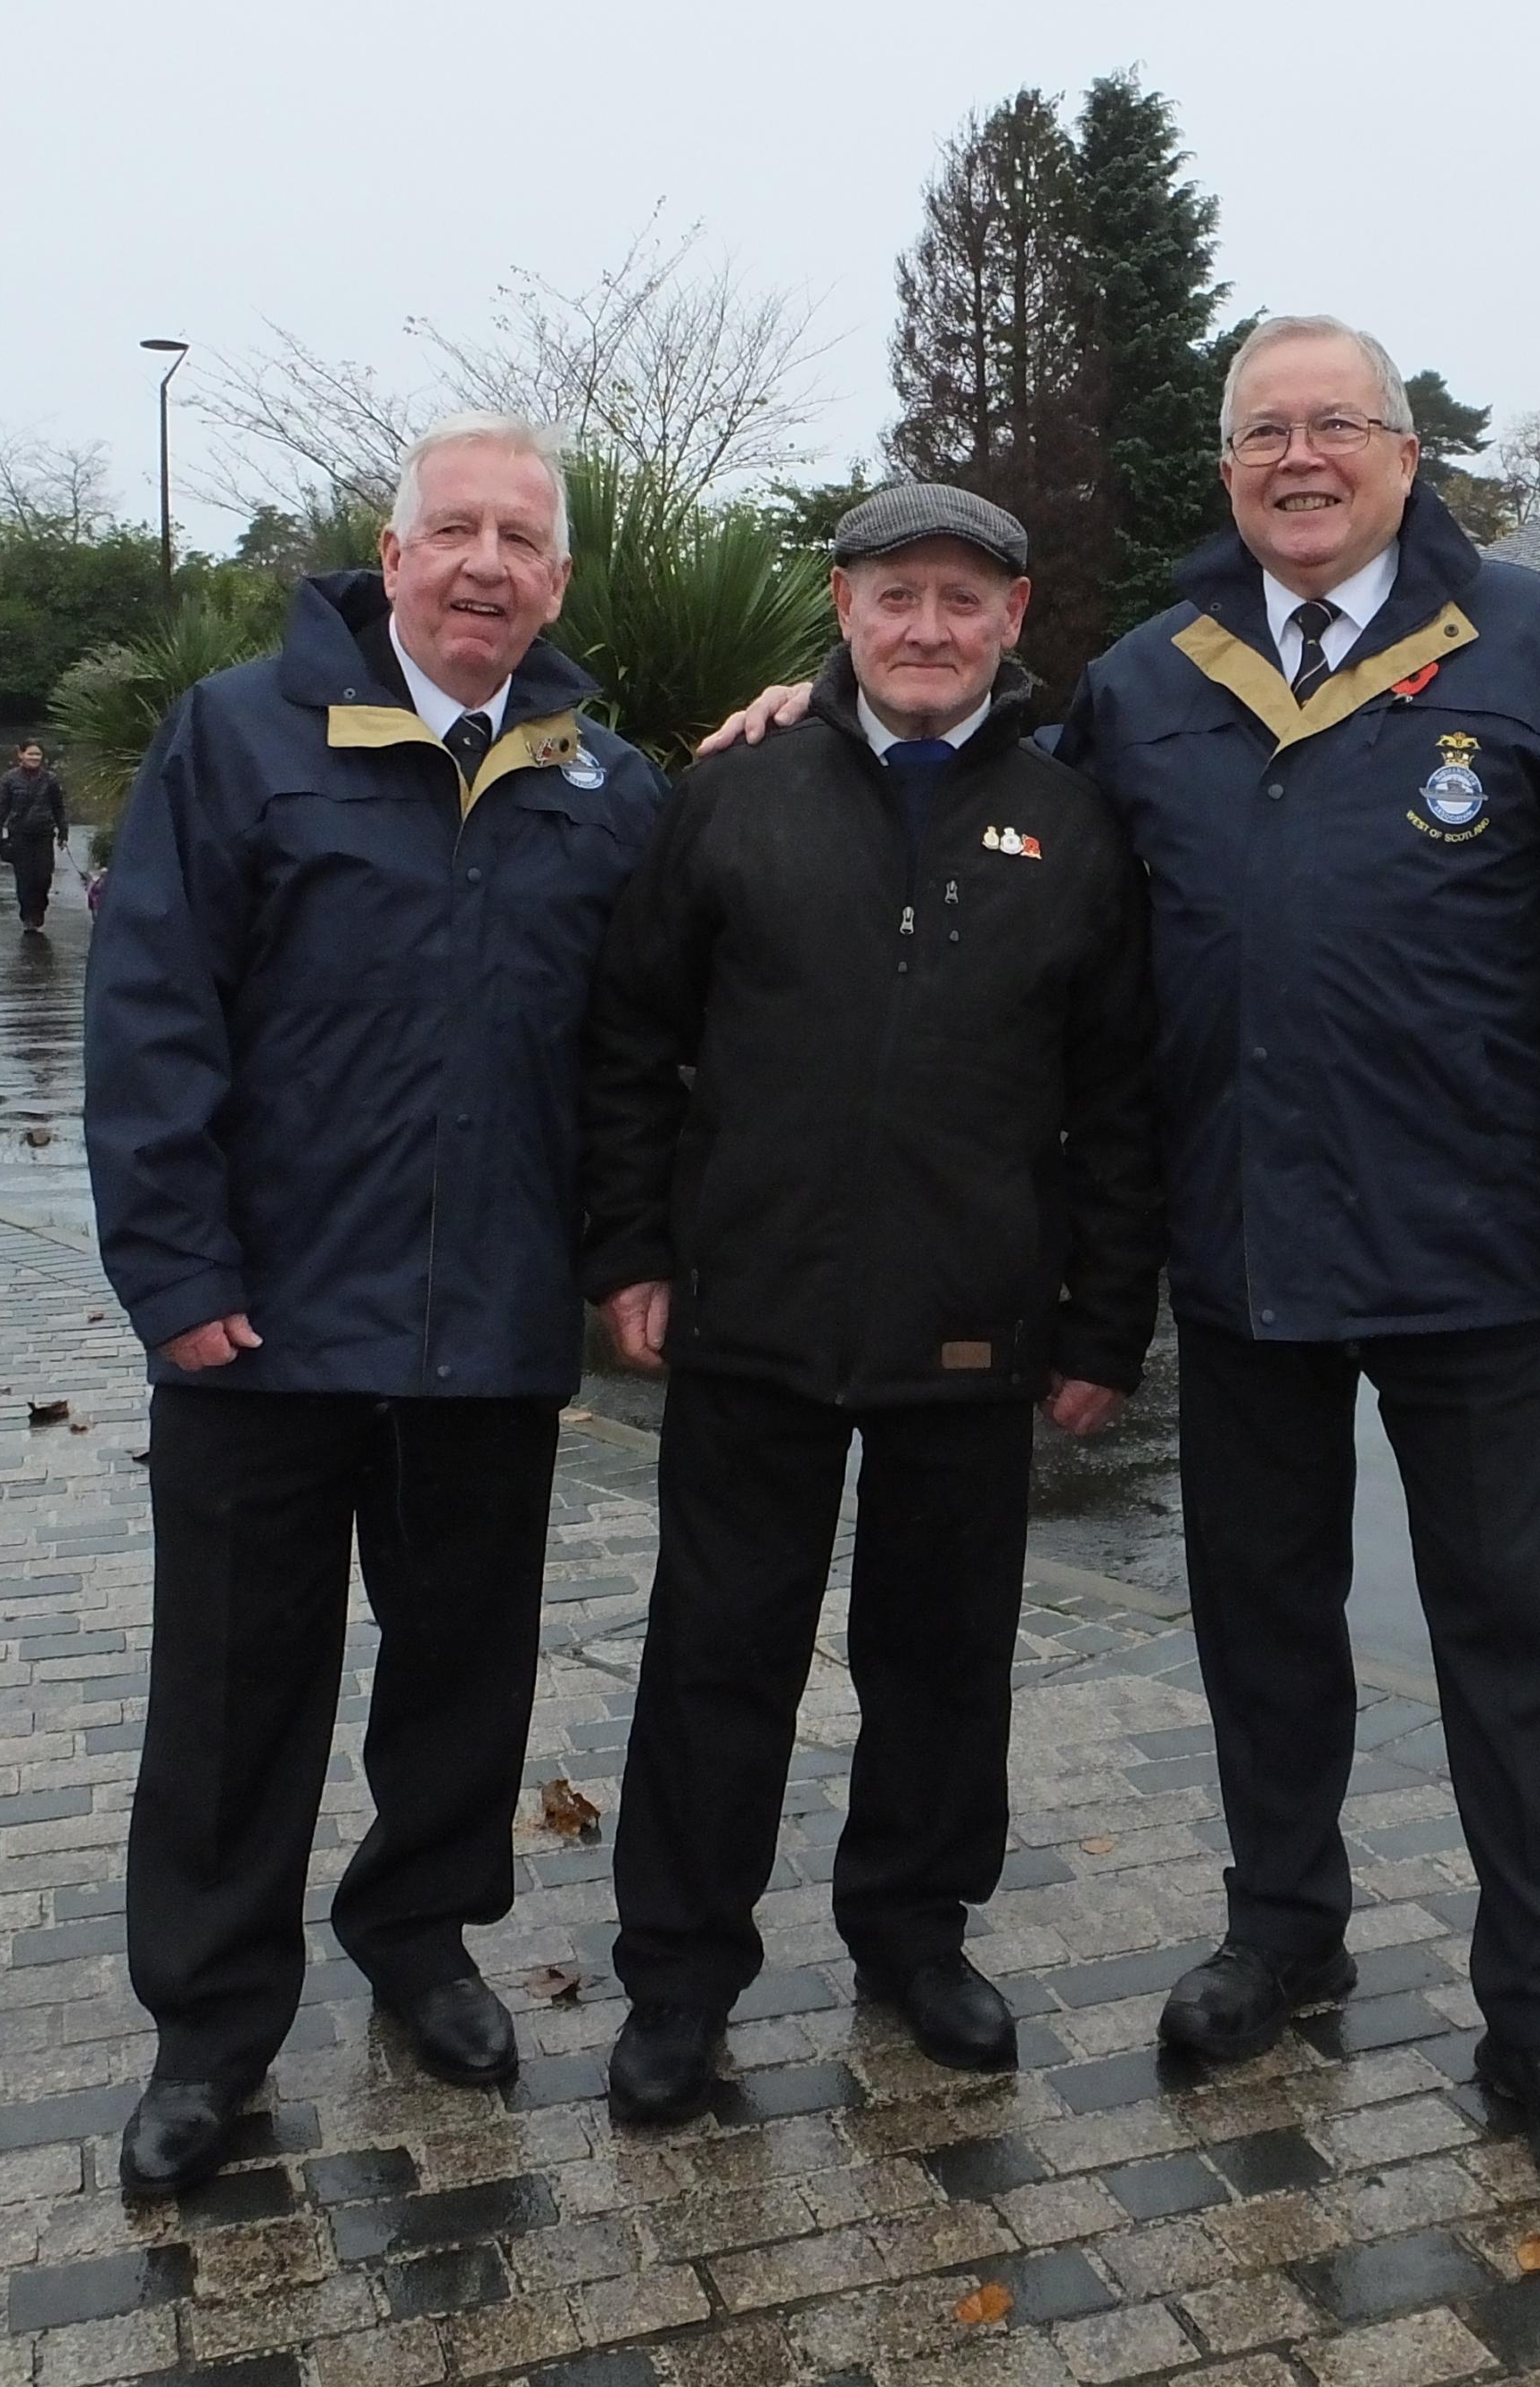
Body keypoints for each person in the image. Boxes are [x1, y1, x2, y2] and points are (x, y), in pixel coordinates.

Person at [703, 318, 1540, 2191]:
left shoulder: (1536, 647)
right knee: (1262, 1618)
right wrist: (803, 712)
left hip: (1462, 1236)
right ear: (1227, 468)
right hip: (1239, 1244)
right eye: (1266, 431)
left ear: (1407, 459)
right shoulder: (1156, 680)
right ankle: (1285, 1928)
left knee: (1509, 1641)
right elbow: (970, 760)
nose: (1301, 457)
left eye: (1339, 426)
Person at [83, 412, 665, 2198]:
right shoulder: (241, 741)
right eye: (454, 531)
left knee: (462, 1680)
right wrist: (176, 1276)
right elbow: (154, 1010)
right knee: (235, 1699)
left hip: (485, 1337)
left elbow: (637, 1057)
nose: (486, 563)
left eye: (521, 539)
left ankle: (421, 1943)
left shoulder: (608, 787)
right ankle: (210, 2030)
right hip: (259, 1335)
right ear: (392, 553)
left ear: (558, 579)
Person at [581, 483, 1163, 2122]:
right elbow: (631, 1041)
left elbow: (1119, 1098)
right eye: (896, 594)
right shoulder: (734, 796)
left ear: (1014, 616)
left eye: (960, 600)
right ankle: (680, 1977)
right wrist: (630, 1251)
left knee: (943, 1655)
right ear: (840, 606)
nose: (927, 627)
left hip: (971, 1329)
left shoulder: (1074, 821)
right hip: (750, 1316)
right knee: (718, 1656)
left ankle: (914, 1933)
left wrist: (1105, 1322)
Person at [0, 739, 69, 931]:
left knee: (43, 877)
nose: (34, 758)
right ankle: (28, 916)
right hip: (19, 836)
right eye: (31, 754)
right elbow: (2, 809)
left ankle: (40, 908)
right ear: (21, 755)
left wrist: (63, 832)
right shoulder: (9, 779)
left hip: (43, 834)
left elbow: (59, 808)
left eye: (38, 754)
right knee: (24, 879)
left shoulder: (50, 780)